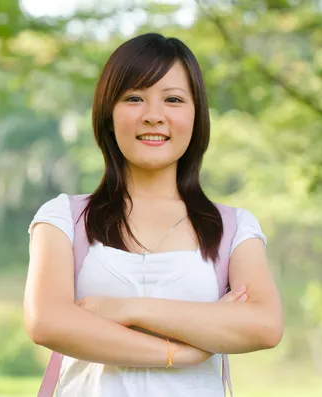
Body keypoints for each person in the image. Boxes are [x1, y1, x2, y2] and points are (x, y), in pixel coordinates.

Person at [23, 32, 284, 397]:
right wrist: (178, 353)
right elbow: (47, 322)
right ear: (108, 114)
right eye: (133, 98)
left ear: (196, 116)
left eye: (173, 99)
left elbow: (265, 326)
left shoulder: (233, 228)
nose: (153, 116)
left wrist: (124, 309)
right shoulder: (64, 218)